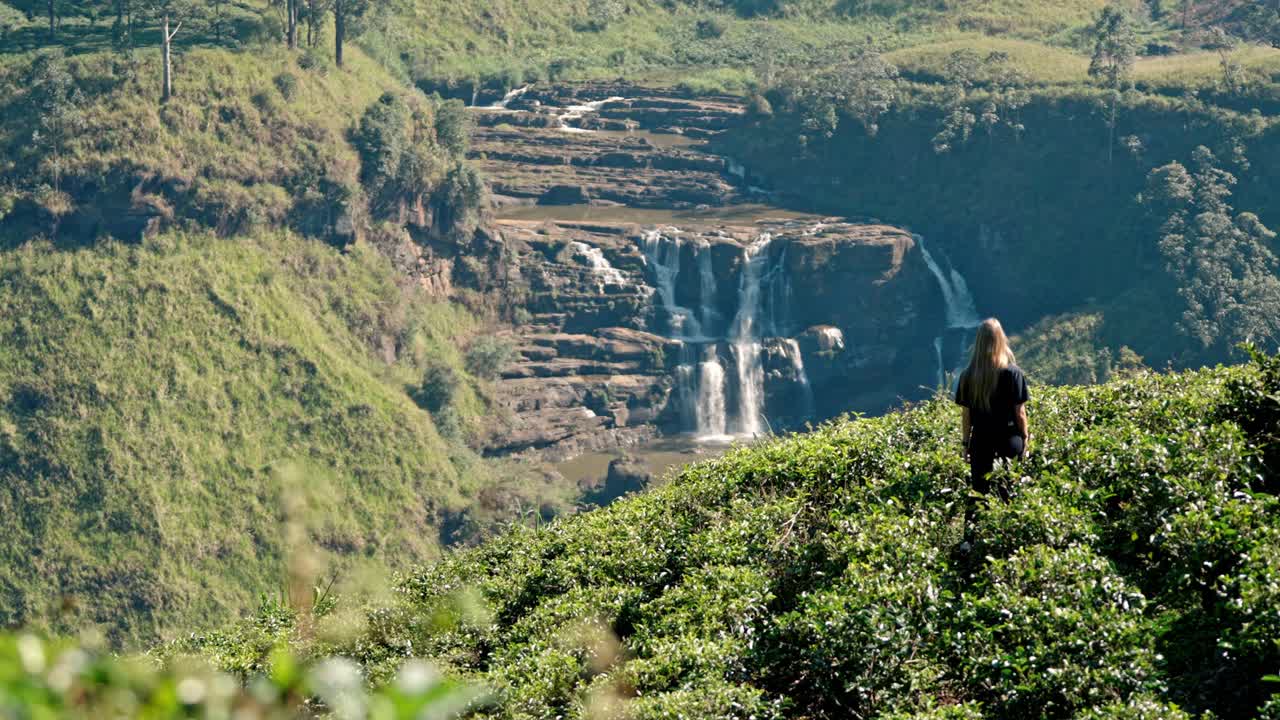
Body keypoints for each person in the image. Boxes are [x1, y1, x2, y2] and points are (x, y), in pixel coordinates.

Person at [954, 318, 1030, 519]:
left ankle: (969, 540)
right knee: (1010, 492)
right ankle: (1012, 539)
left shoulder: (968, 376)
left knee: (979, 493)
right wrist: (1025, 438)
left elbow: (966, 416)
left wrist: (965, 444)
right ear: (1001, 340)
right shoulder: (1013, 373)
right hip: (1009, 439)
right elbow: (1020, 413)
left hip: (981, 441)